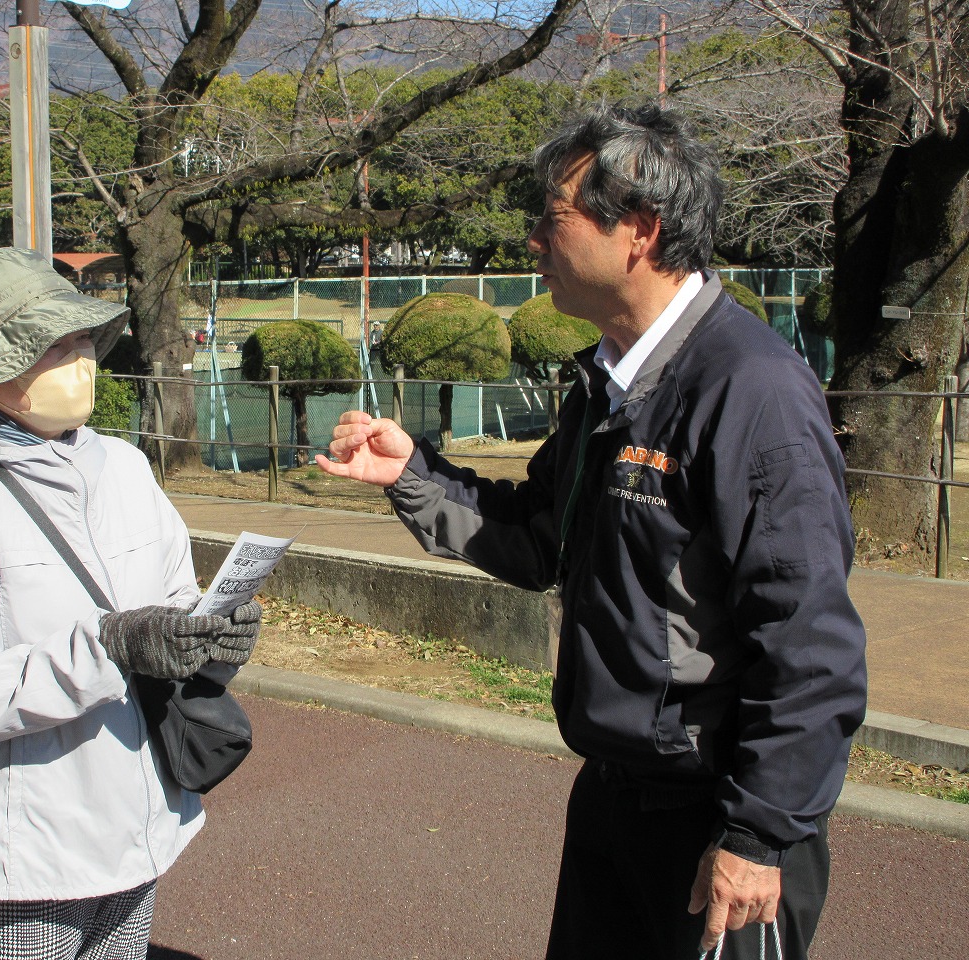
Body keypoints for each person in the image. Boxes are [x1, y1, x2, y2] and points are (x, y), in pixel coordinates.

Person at [317, 103, 866, 960]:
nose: (533, 240)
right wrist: (412, 475)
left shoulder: (750, 392)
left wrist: (758, 838)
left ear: (637, 231)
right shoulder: (607, 383)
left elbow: (810, 648)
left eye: (554, 218)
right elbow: (543, 538)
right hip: (613, 796)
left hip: (717, 820)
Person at [0, 246, 261, 960]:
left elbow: (174, 596)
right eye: (54, 347)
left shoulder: (122, 465)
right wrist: (112, 646)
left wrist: (210, 633)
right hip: (36, 831)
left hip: (145, 803)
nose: (83, 360)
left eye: (84, 338)